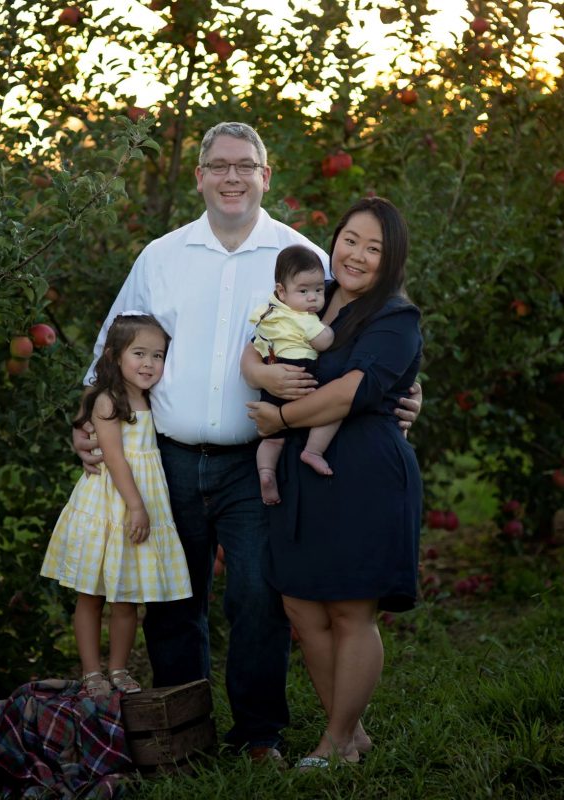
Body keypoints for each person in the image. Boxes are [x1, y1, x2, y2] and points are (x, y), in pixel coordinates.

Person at [73, 122, 421, 762]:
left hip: (258, 460)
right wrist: (85, 420)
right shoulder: (162, 256)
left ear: (266, 176)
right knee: (173, 597)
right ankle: (184, 734)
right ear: (200, 175)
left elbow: (359, 336)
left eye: (246, 166)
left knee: (260, 595)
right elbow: (112, 345)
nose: (232, 178)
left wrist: (407, 393)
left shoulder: (304, 257)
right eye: (219, 166)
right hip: (168, 455)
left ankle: (258, 734)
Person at [245, 196, 423, 769]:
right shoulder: (308, 297)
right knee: (300, 604)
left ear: (390, 260)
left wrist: (281, 419)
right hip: (303, 472)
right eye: (351, 239)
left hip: (363, 472)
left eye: (374, 248)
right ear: (334, 239)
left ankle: (336, 741)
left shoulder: (394, 316)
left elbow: (353, 389)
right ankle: (351, 732)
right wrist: (256, 372)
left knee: (351, 611)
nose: (358, 255)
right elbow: (258, 350)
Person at [42, 313, 192, 698]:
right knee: (91, 593)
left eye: (157, 356)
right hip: (111, 504)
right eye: (138, 353)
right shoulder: (107, 401)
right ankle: (92, 672)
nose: (149, 364)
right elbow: (114, 457)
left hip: (143, 501)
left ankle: (118, 668)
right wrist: (136, 507)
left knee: (127, 595)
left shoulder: (154, 397)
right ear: (112, 356)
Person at [248, 244, 338, 505]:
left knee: (272, 439)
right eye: (304, 291)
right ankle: (313, 450)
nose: (313, 299)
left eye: (319, 291)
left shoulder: (269, 313)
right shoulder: (305, 318)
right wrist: (327, 329)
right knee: (329, 412)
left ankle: (266, 472)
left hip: (273, 376)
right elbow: (324, 342)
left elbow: (258, 344)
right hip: (302, 376)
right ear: (281, 291)